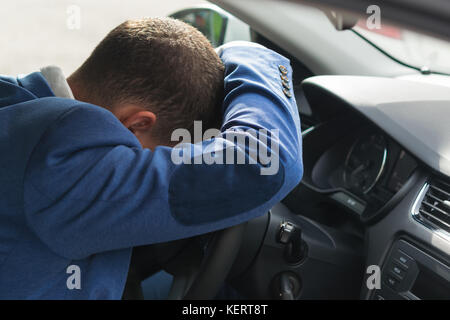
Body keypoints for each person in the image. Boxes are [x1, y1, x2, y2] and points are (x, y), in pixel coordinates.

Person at [0, 17, 303, 299]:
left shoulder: (14, 99)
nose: (169, 164)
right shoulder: (66, 155)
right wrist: (254, 55)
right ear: (138, 124)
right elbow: (265, 163)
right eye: (170, 153)